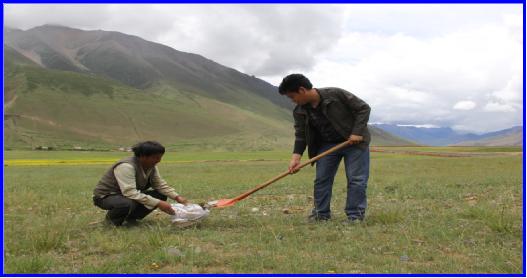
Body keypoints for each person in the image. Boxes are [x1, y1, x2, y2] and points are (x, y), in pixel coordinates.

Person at [278, 74, 371, 223]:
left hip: (354, 143)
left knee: (356, 180)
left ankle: (355, 217)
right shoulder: (300, 111)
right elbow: (301, 134)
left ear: (302, 90)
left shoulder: (336, 94)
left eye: (292, 96)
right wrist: (296, 157)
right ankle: (321, 215)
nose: (292, 101)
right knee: (322, 180)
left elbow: (364, 108)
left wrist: (357, 132)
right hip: (326, 145)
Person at [93, 141, 188, 226]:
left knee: (159, 195)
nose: (159, 160)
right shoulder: (126, 166)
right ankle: (111, 223)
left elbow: (159, 185)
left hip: (125, 195)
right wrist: (159, 203)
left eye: (160, 157)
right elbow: (130, 193)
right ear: (143, 156)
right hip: (105, 196)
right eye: (155, 157)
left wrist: (177, 197)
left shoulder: (151, 166)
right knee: (126, 203)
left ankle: (131, 219)